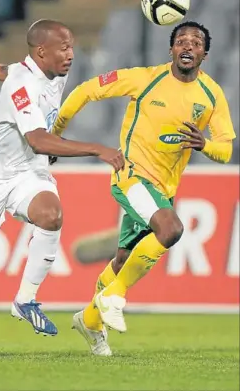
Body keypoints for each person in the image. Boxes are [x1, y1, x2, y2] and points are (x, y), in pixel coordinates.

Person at [0, 19, 125, 359]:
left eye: (71, 46)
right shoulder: (22, 84)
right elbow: (37, 140)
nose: (71, 54)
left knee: (51, 216)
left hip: (26, 171)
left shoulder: (49, 71)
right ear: (42, 51)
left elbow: (4, 69)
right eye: (64, 48)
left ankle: (25, 299)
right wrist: (98, 149)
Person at [50, 21, 236, 356]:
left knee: (123, 260)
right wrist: (57, 131)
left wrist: (204, 144)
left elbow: (225, 150)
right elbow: (87, 90)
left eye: (196, 42)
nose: (188, 46)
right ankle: (113, 297)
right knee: (171, 228)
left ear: (205, 54)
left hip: (162, 190)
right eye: (181, 41)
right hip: (130, 174)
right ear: (171, 50)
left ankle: (90, 321)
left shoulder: (211, 96)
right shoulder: (146, 78)